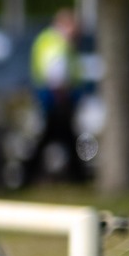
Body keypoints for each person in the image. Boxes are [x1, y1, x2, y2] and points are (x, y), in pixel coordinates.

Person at [29, 9, 79, 182]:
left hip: (52, 96)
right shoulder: (56, 42)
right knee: (59, 138)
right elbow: (56, 74)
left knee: (60, 138)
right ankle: (77, 175)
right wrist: (62, 98)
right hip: (55, 98)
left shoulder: (48, 40)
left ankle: (76, 174)